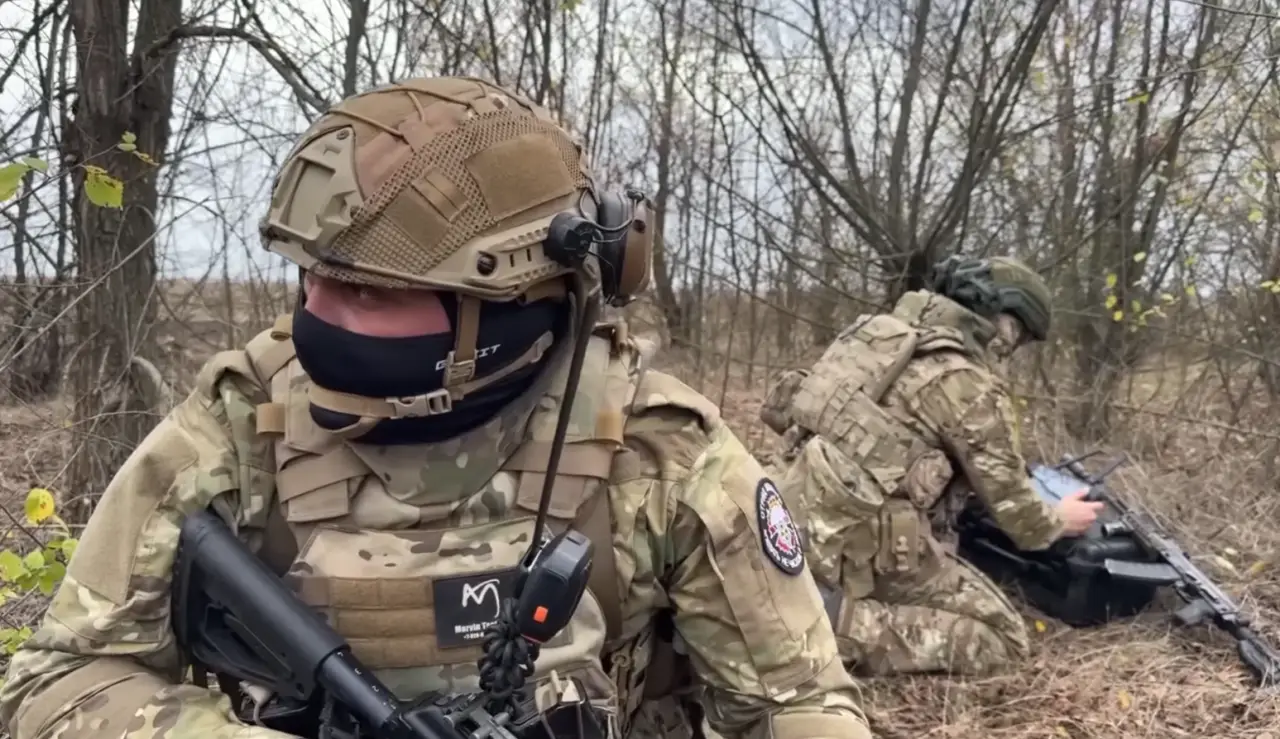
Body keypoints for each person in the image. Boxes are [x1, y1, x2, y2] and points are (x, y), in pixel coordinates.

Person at [0, 77, 873, 739]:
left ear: (511, 301)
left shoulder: (659, 452)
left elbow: (801, 703)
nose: (319, 317)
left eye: (373, 294)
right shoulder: (242, 423)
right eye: (313, 281)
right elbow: (57, 680)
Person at [758, 255, 1104, 678]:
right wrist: (1059, 518)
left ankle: (808, 604)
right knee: (1002, 638)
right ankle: (826, 626)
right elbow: (1022, 520)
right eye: (1022, 337)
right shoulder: (966, 381)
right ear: (1005, 323)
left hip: (778, 517)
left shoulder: (872, 336)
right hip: (850, 548)